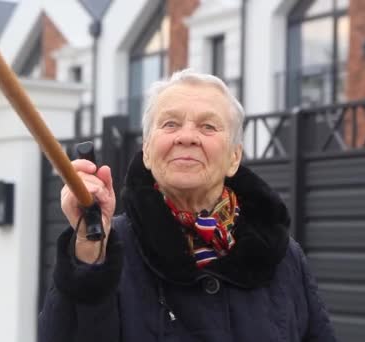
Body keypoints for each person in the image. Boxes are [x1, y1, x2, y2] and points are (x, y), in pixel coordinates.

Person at [39, 70, 337, 342]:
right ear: (146, 151)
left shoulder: (283, 257)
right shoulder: (107, 248)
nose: (187, 137)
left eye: (208, 126)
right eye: (170, 124)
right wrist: (89, 249)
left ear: (234, 158)